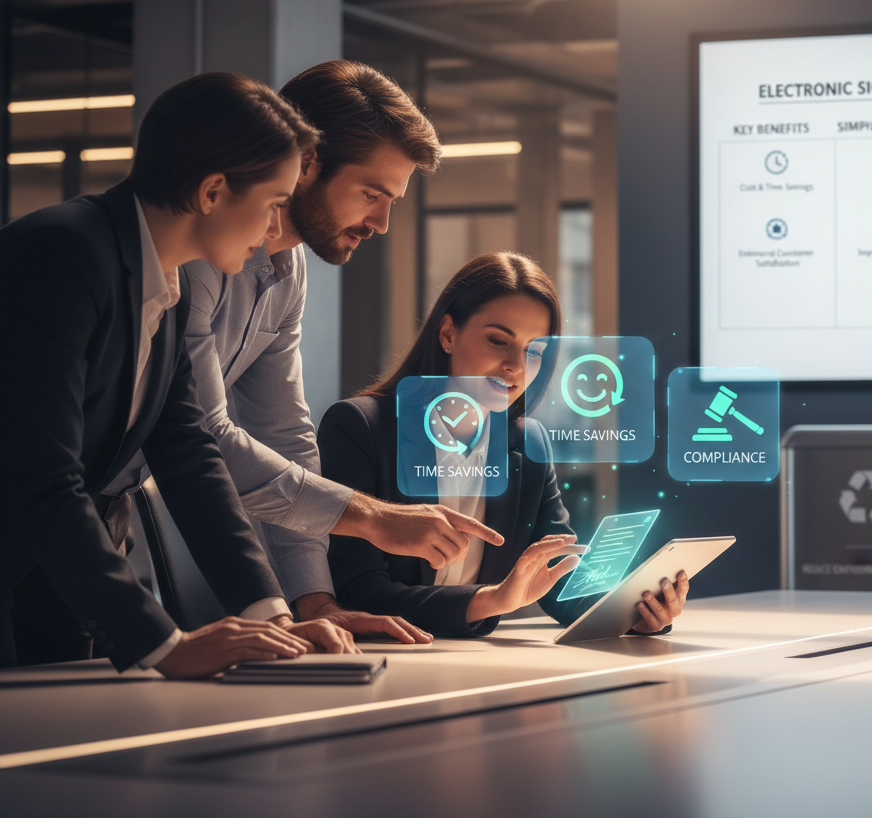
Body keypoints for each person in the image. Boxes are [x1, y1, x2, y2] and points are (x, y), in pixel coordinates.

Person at [104, 60, 502, 644]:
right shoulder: (199, 254)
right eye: (371, 193)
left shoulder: (288, 271)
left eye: (392, 199)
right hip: (52, 499)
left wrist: (315, 601)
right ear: (307, 163)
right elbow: (203, 434)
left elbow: (282, 433)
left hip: (102, 511)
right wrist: (370, 517)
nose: (383, 223)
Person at [0, 72, 354, 677]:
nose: (276, 231)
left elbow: (187, 450)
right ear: (213, 191)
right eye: (273, 204)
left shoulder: (169, 284)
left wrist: (273, 618)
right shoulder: (59, 255)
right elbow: (41, 473)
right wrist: (169, 644)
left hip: (61, 564)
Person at [319, 252, 691, 638]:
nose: (516, 365)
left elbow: (558, 578)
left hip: (469, 666)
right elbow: (355, 595)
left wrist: (638, 610)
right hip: (381, 662)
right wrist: (491, 600)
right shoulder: (360, 427)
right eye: (499, 340)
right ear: (448, 334)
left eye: (535, 351)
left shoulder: (529, 443)